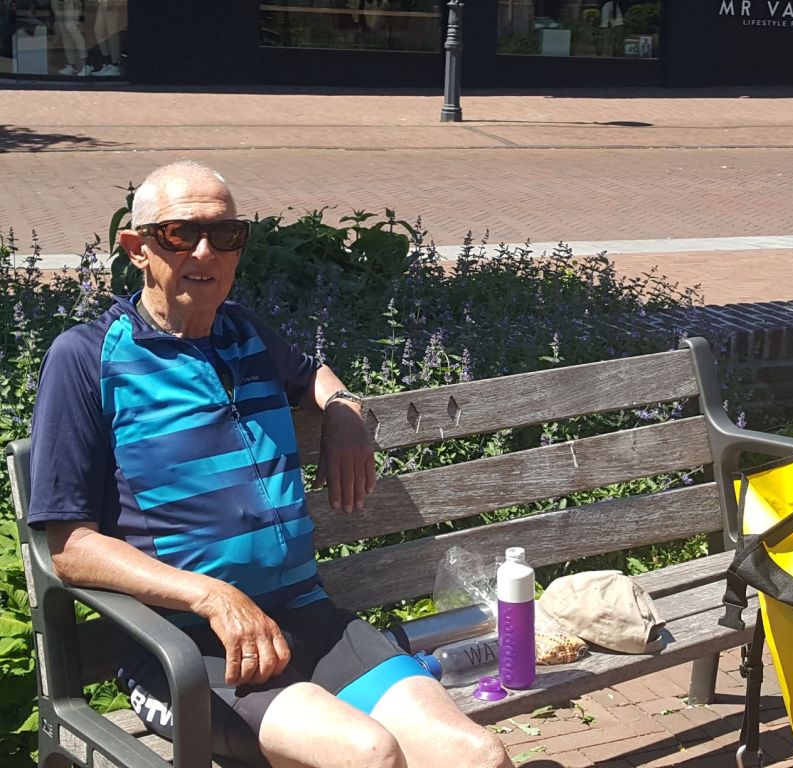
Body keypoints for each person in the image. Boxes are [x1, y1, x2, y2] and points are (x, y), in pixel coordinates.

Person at [27, 160, 513, 768]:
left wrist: (343, 409)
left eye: (226, 234)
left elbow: (311, 375)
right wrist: (211, 597)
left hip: (308, 619)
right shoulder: (85, 357)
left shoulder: (245, 332)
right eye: (181, 233)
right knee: (369, 753)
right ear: (137, 248)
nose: (205, 251)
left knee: (476, 754)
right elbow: (69, 547)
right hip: (186, 649)